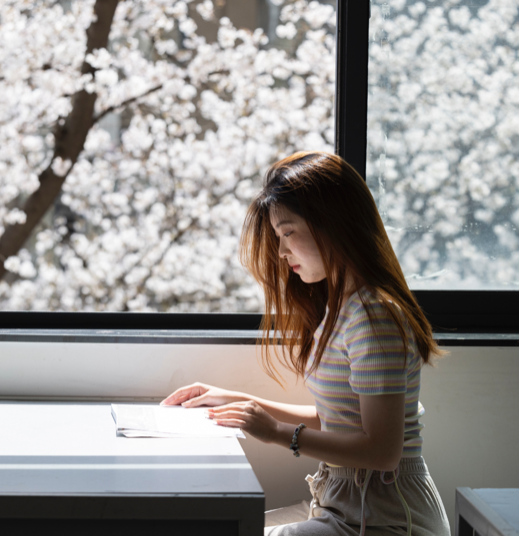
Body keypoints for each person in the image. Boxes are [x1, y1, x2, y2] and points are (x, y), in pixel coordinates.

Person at [161, 152, 450, 535]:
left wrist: (279, 434)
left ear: (331, 224)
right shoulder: (342, 306)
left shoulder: (374, 315)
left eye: (287, 233)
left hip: (387, 520)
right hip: (350, 505)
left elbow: (383, 451)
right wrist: (236, 400)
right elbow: (339, 419)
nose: (281, 252)